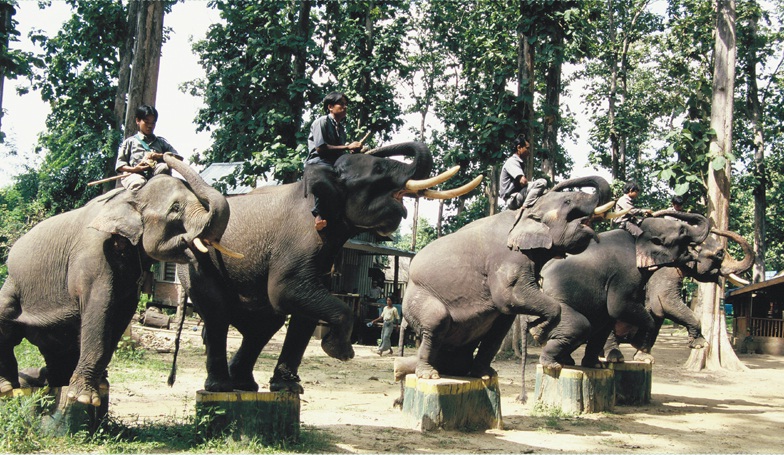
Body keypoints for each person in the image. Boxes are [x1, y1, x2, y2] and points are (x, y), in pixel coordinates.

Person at [305, 92, 363, 231]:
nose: (345, 107)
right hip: (319, 161)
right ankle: (317, 215)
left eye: (346, 105)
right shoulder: (321, 122)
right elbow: (320, 148)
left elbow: (339, 151)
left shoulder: (341, 129)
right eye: (341, 104)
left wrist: (352, 151)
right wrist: (347, 146)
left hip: (335, 162)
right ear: (330, 107)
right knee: (324, 174)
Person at [115, 104, 182, 191]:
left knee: (164, 168)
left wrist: (160, 156)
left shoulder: (161, 142)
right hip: (134, 175)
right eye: (146, 122)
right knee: (138, 183)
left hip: (155, 174)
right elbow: (120, 165)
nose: (150, 126)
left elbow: (178, 158)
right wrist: (135, 169)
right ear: (138, 121)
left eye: (153, 123)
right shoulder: (130, 142)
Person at [499, 134, 547, 210]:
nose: (529, 152)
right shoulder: (512, 161)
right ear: (519, 148)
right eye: (527, 148)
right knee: (542, 182)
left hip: (517, 196)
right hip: (513, 199)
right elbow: (523, 181)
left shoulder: (518, 162)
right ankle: (525, 207)